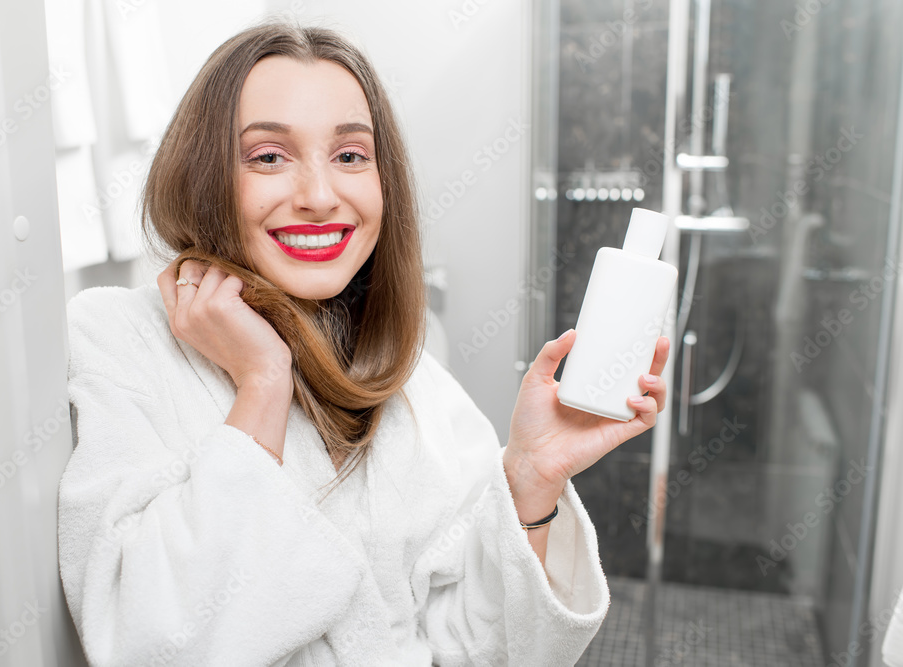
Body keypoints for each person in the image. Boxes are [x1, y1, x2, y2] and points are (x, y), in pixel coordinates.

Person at [56, 17, 669, 666]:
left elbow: (482, 650)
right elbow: (151, 644)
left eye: (350, 156)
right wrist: (262, 384)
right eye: (268, 156)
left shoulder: (409, 375)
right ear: (203, 174)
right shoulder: (116, 338)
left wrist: (530, 477)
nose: (320, 196)